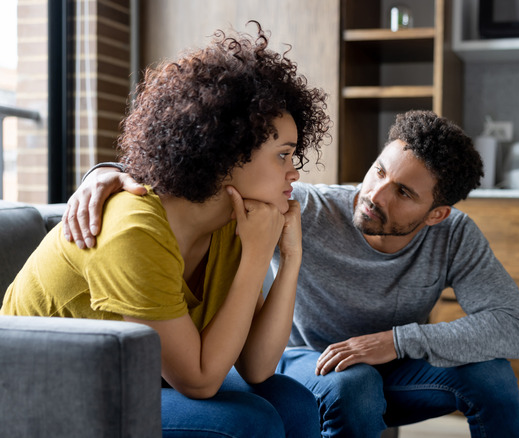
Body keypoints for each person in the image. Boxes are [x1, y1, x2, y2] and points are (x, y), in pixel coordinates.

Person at [65, 110, 519, 438]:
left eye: (404, 193)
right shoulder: (308, 208)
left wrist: (393, 342)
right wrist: (107, 172)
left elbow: (515, 330)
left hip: (394, 368)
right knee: (355, 386)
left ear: (437, 214)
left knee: (492, 376)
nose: (375, 194)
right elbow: (203, 175)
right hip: (304, 362)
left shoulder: (455, 235)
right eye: (377, 172)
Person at [1, 22, 330, 438]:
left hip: (137, 378)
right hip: (48, 392)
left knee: (295, 404)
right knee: (250, 421)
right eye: (283, 155)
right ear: (225, 151)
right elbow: (199, 380)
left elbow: (257, 366)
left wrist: (289, 258)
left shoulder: (232, 223)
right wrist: (255, 256)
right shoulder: (132, 229)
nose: (294, 171)